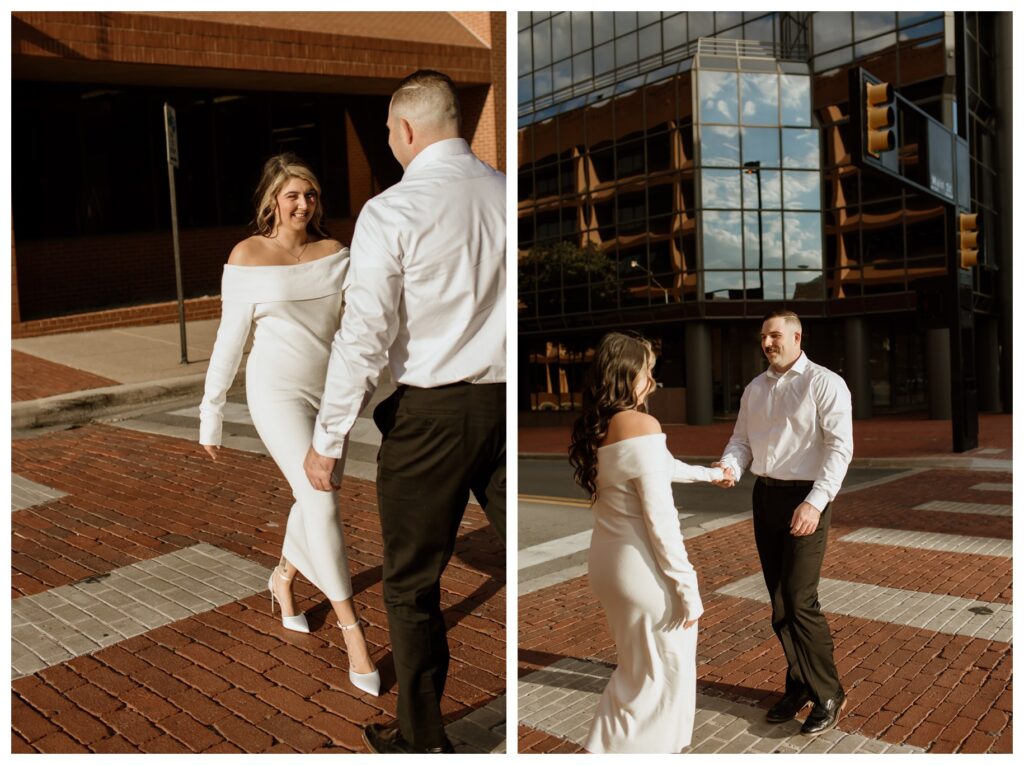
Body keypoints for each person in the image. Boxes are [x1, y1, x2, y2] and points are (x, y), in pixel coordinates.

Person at [301, 70, 505, 754]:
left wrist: (328, 438)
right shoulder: (509, 195)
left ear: (408, 129)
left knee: (412, 585)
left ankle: (423, 737)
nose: (389, 141)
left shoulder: (391, 211)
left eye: (389, 130)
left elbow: (364, 336)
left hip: (433, 417)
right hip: (506, 409)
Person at [199, 152, 379, 697]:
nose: (304, 204)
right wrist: (211, 412)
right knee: (322, 502)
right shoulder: (247, 256)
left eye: (312, 195)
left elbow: (362, 326)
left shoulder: (335, 254)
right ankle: (354, 636)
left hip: (330, 399)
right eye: (293, 194)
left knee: (312, 500)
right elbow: (230, 341)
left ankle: (282, 579)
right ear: (272, 200)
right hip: (274, 394)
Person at [568, 332, 731, 754]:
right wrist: (687, 587)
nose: (652, 381)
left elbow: (657, 467)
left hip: (608, 565)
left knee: (637, 676)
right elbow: (662, 519)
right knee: (663, 681)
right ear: (628, 373)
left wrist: (710, 474)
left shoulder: (604, 424)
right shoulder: (642, 424)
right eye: (648, 371)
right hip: (643, 572)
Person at [714, 310, 853, 736]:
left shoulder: (824, 383)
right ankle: (799, 685)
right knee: (778, 602)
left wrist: (814, 503)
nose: (768, 343)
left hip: (806, 497)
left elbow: (839, 448)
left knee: (799, 598)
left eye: (775, 335)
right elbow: (741, 440)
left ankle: (829, 692)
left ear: (796, 336)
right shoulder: (756, 389)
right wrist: (731, 467)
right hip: (767, 496)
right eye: (763, 337)